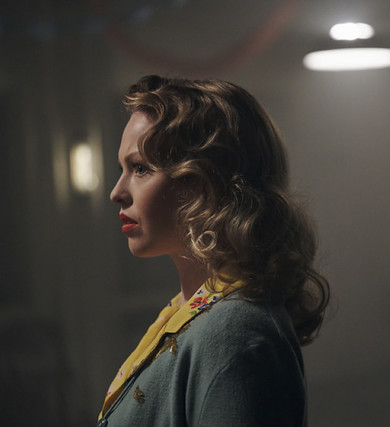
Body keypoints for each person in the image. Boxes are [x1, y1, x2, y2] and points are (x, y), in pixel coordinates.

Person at [98, 75, 329, 426]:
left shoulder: (234, 330)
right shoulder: (193, 312)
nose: (116, 192)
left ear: (205, 182)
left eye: (141, 168)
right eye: (123, 169)